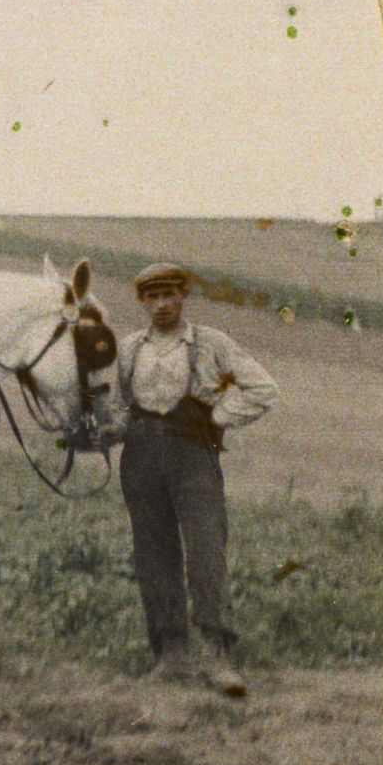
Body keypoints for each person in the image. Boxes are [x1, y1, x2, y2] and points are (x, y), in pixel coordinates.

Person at [116, 263, 279, 698]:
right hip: (140, 457)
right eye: (152, 297)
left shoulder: (210, 343)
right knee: (153, 554)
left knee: (206, 550)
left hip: (193, 456)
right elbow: (114, 407)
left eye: (170, 295)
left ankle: (218, 657)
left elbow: (263, 389)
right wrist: (108, 429)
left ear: (183, 297)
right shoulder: (129, 349)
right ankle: (171, 656)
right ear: (142, 302)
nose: (162, 305)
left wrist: (215, 418)